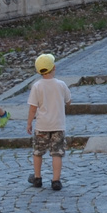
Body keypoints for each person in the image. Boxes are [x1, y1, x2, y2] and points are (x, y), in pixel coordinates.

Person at [26, 53, 71, 190]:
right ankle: (56, 181)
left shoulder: (37, 86)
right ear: (54, 68)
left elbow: (33, 108)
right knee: (57, 153)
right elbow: (68, 101)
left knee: (37, 151)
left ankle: (37, 177)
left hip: (42, 125)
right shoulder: (61, 85)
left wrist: (29, 123)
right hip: (58, 125)